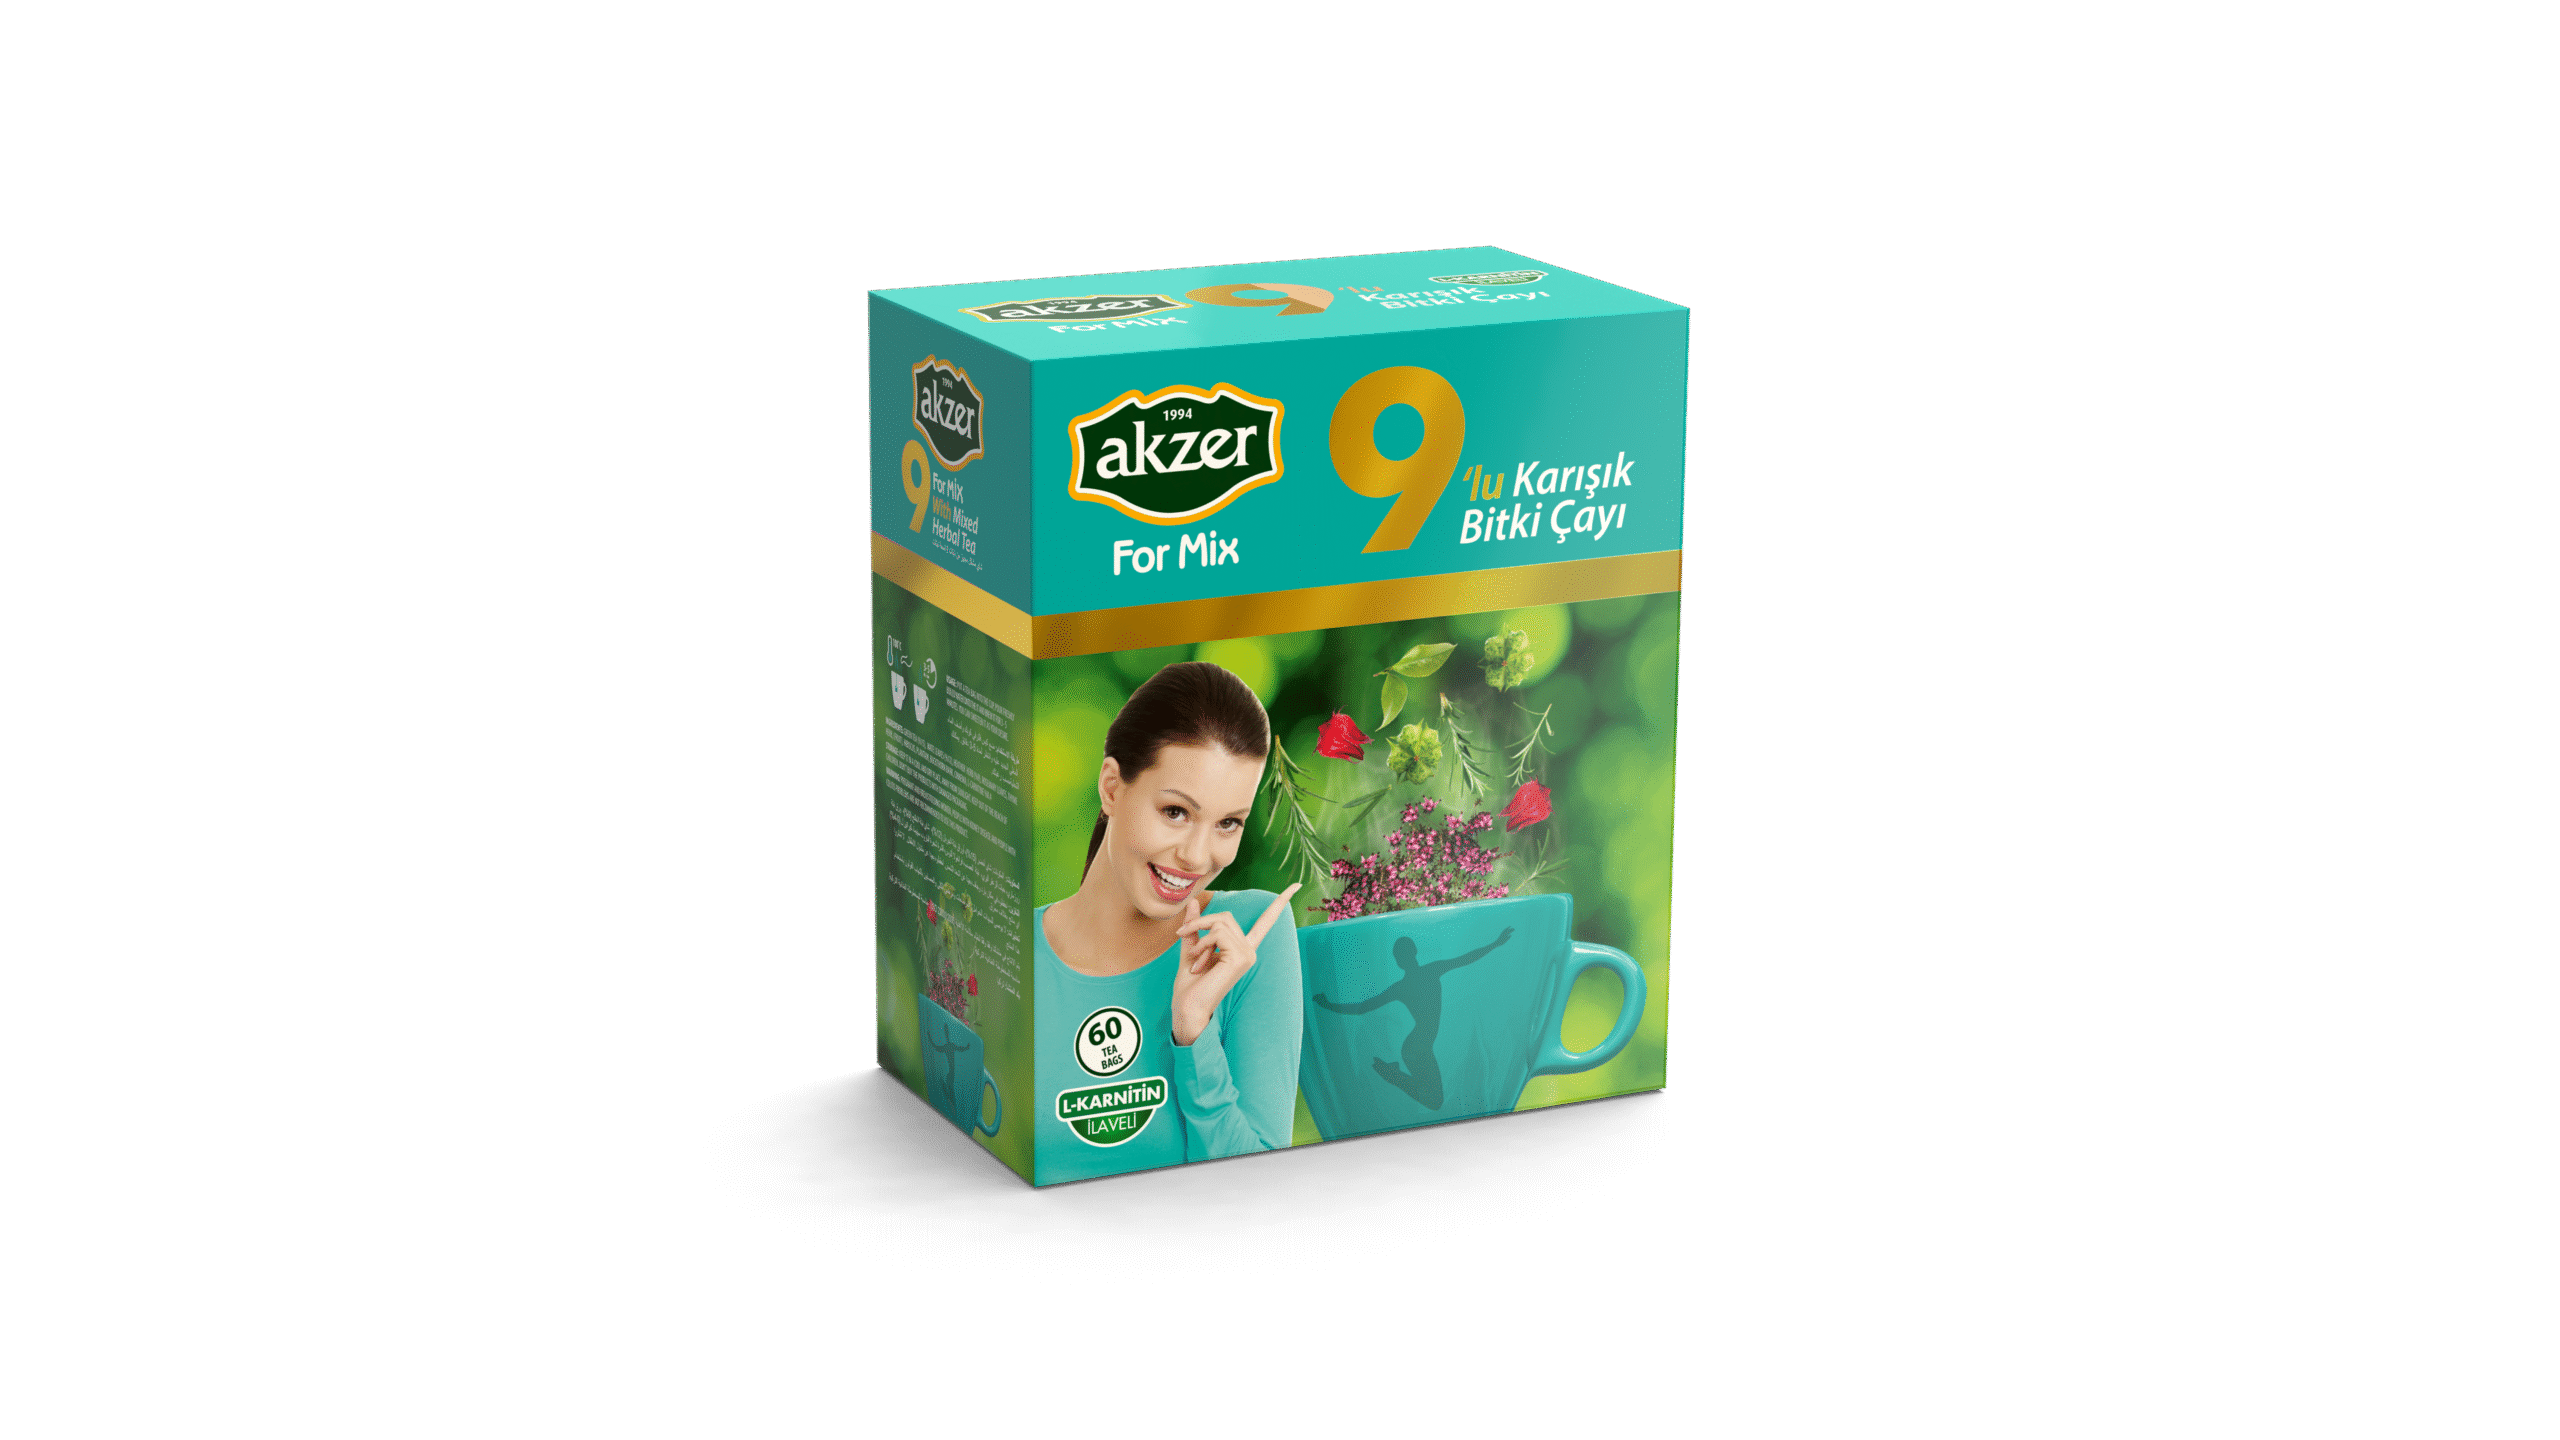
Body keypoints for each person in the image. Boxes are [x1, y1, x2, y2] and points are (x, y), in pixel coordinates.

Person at [1033, 661, 1303, 1179]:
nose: (1197, 857)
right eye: (1176, 812)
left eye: (1228, 823)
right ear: (1112, 788)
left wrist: (1195, 1036)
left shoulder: (1248, 939)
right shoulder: (1008, 954)